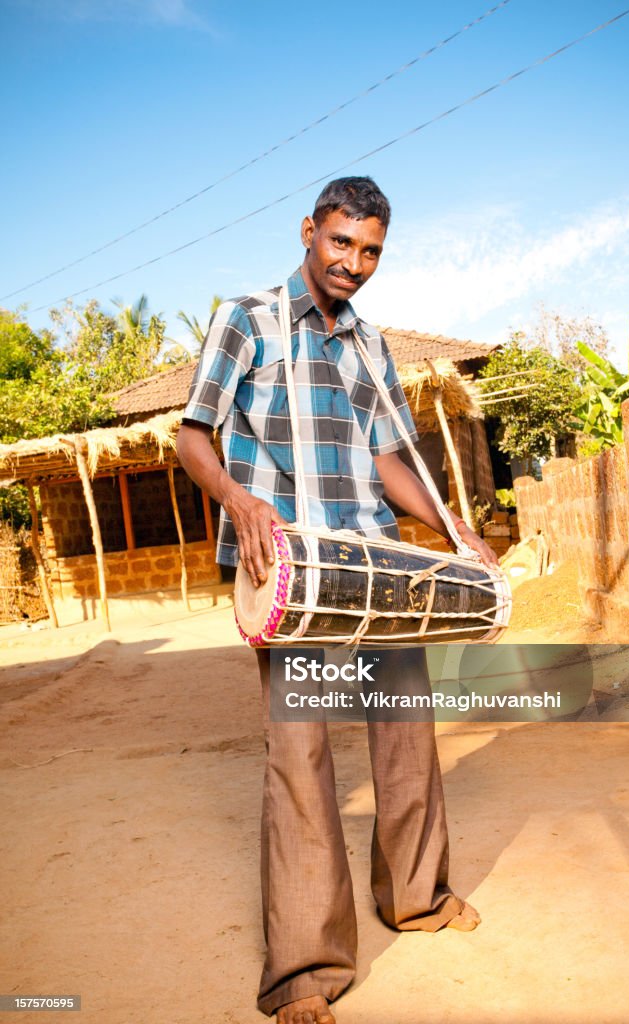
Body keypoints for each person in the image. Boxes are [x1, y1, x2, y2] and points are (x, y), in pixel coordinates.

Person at [176, 177, 499, 1024]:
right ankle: (308, 971)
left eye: (370, 251)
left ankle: (417, 898)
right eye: (340, 243)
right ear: (309, 231)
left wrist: (449, 525)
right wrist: (239, 502)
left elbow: (393, 459)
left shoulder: (370, 344)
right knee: (302, 756)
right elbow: (193, 435)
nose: (354, 264)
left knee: (406, 735)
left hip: (372, 560)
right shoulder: (246, 319)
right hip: (289, 566)